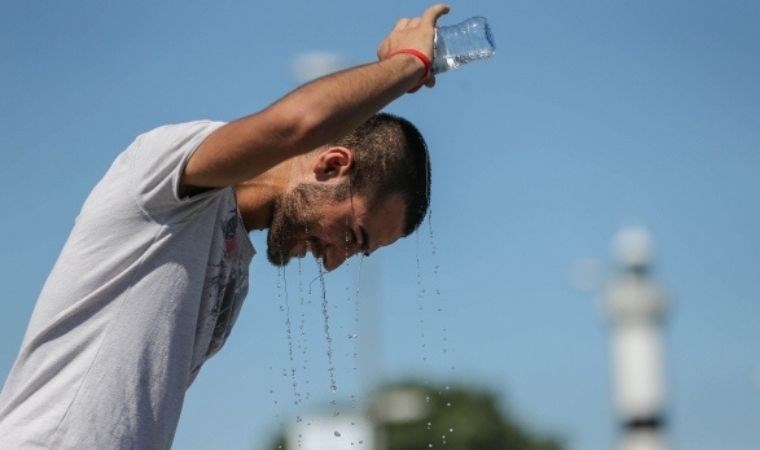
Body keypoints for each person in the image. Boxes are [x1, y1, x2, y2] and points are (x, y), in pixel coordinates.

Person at [0, 4, 450, 449]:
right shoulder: (167, 178)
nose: (333, 262)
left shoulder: (234, 264)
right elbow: (297, 124)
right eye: (352, 235)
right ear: (331, 166)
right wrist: (409, 65)